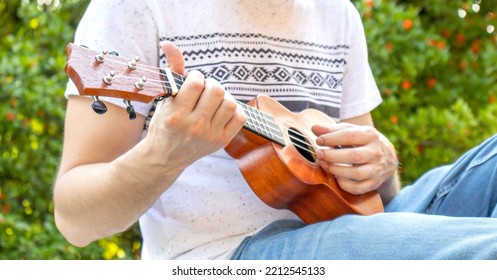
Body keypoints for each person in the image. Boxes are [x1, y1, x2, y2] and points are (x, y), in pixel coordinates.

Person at [53, 0, 497, 260]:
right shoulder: (133, 8)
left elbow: (379, 197)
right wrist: (161, 156)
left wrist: (381, 162)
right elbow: (74, 219)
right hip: (228, 255)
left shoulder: (337, 12)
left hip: (357, 226)